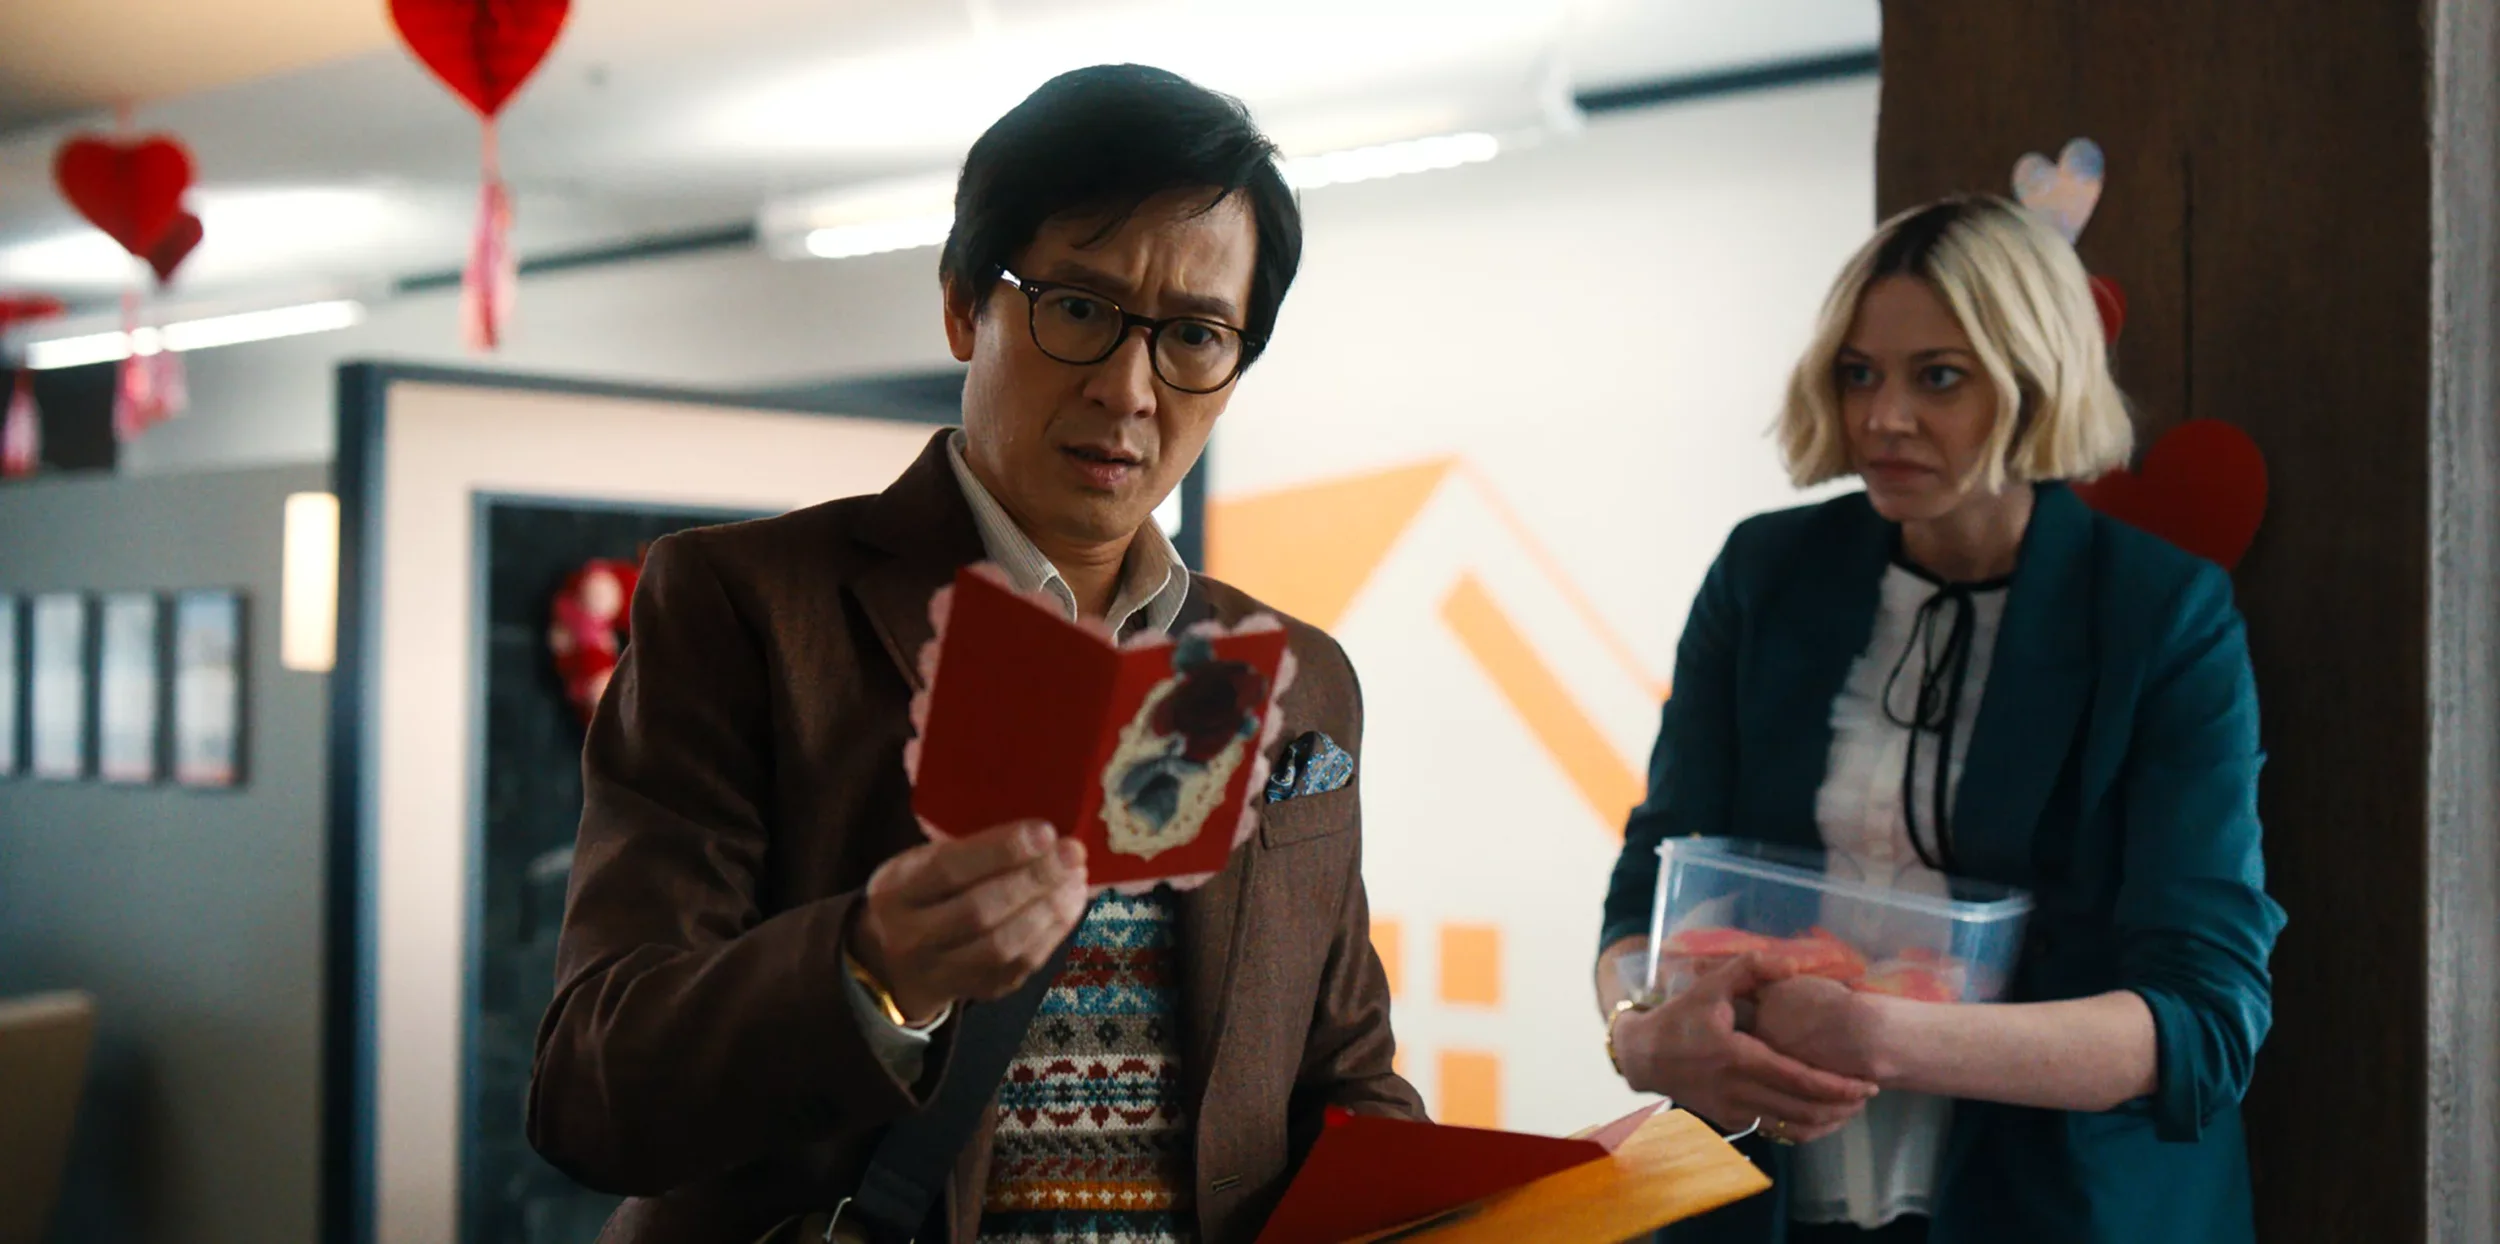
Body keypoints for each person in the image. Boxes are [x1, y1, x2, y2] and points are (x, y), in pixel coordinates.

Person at [528, 64, 1421, 1244]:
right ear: (964, 305)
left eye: (1194, 336)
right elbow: (595, 1088)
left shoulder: (1299, 679)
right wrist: (868, 968)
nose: (1128, 388)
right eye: (1080, 309)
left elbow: (1343, 1074)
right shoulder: (747, 609)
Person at [1594, 196, 2285, 1244]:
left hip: (2058, 1205)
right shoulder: (1764, 574)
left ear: (2034, 382)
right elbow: (1652, 881)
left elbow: (2204, 1020)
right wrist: (1635, 1030)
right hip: (1763, 1192)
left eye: (1939, 377)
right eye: (1858, 373)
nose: (1884, 417)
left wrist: (1880, 1038)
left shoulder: (2162, 613)